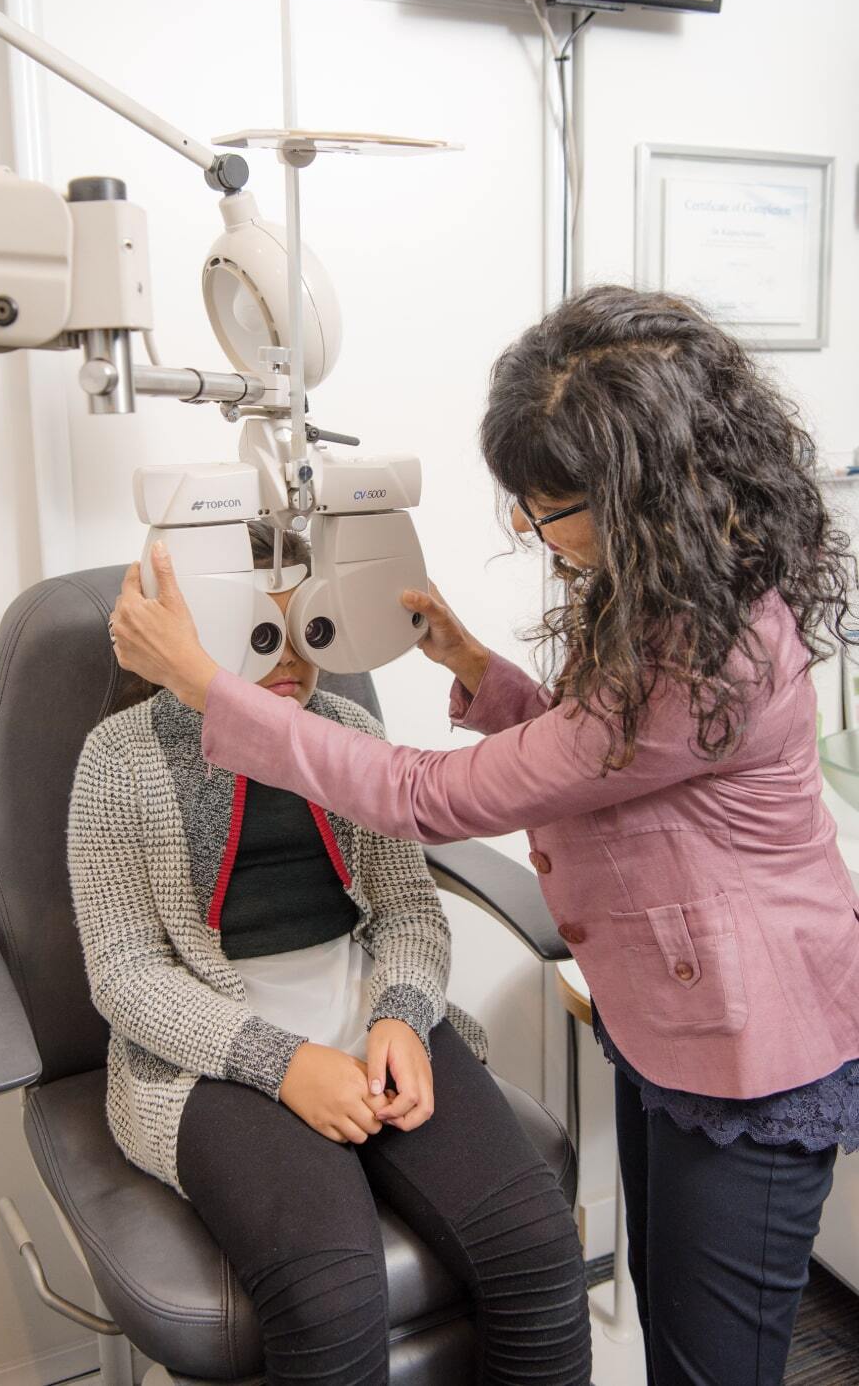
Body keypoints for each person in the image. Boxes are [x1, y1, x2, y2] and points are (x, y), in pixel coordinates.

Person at [109, 286, 859, 1386]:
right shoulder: (674, 584)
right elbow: (605, 757)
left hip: (748, 1049)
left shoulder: (715, 645)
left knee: (700, 1357)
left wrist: (205, 681)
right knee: (658, 1308)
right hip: (671, 1017)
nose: (531, 530)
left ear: (639, 493)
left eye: (545, 506)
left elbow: (429, 801)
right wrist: (476, 671)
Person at [69, 521, 592, 1386]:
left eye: (308, 628)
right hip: (214, 1054)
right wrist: (284, 1065)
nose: (291, 661)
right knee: (332, 1293)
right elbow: (126, 974)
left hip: (366, 1018)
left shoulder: (345, 732)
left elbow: (411, 916)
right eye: (256, 629)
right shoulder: (121, 763)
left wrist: (400, 1017)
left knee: (537, 1252)